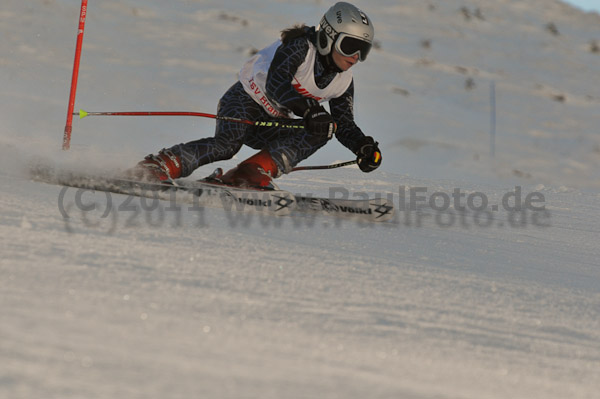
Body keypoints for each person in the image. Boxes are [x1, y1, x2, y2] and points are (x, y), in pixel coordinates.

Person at [130, 2, 382, 188]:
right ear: (328, 37)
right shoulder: (300, 47)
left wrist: (363, 146)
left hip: (273, 124)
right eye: (350, 46)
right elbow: (276, 84)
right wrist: (309, 109)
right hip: (244, 102)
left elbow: (344, 124)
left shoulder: (343, 81)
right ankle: (158, 165)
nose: (355, 58)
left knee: (324, 128)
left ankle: (251, 172)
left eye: (364, 51)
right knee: (226, 146)